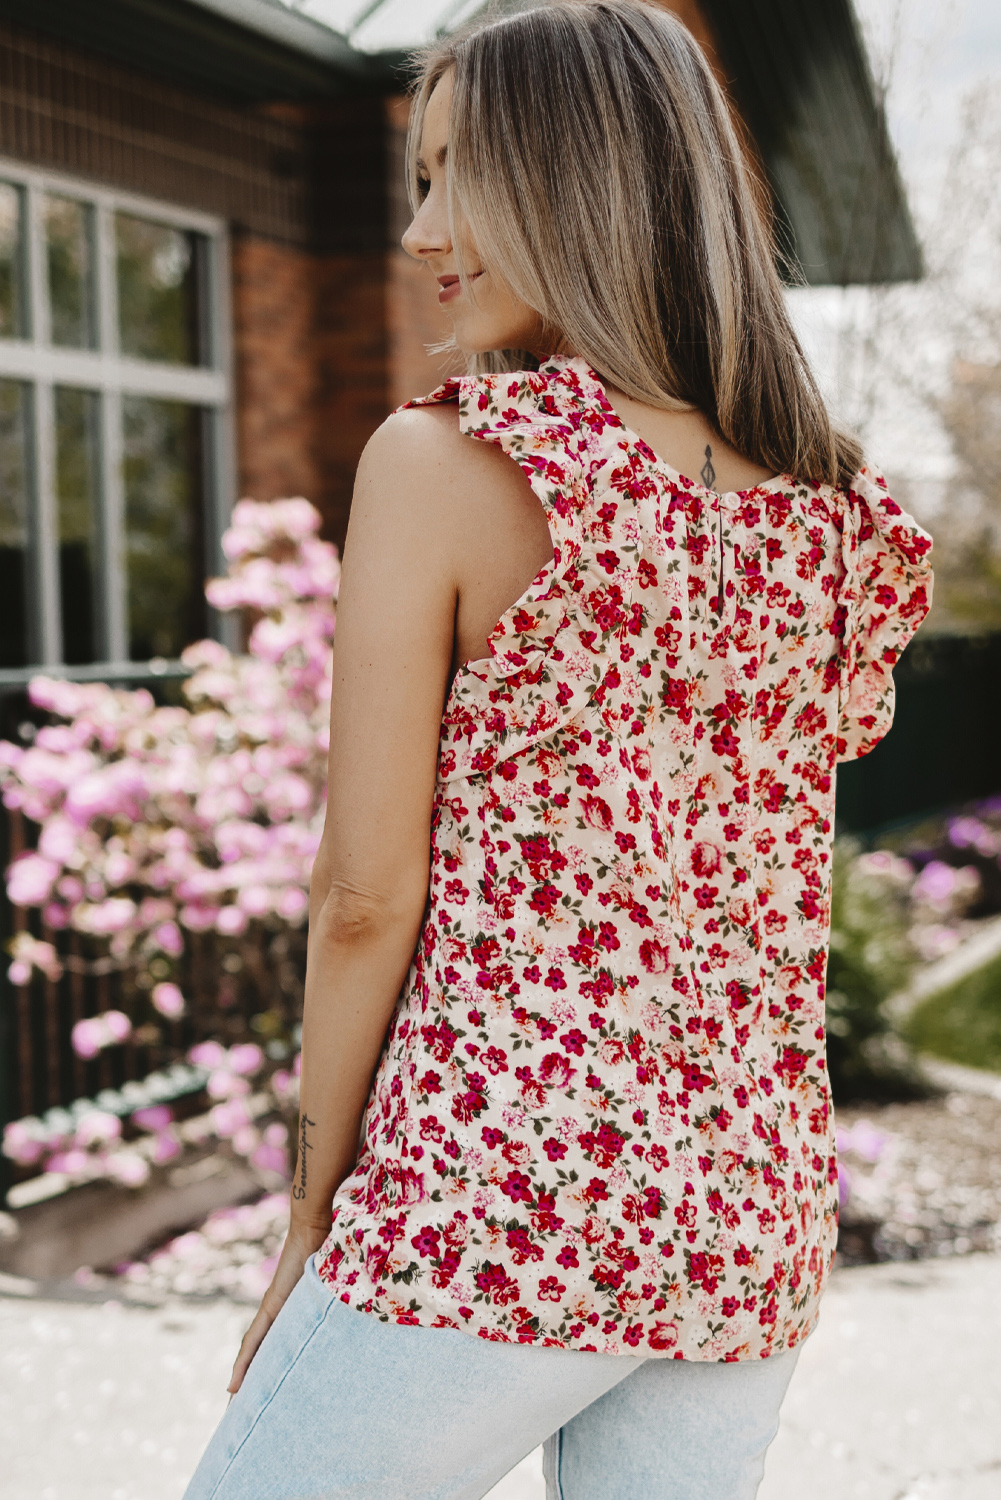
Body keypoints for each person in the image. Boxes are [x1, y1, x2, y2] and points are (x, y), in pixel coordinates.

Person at [184, 3, 932, 1497]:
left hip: (500, 1197)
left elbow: (361, 895)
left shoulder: (452, 459)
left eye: (459, 174)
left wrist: (310, 1218)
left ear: (581, 183)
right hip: (745, 1213)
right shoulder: (826, 509)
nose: (420, 232)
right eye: (414, 181)